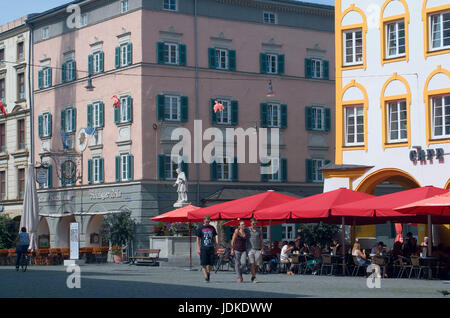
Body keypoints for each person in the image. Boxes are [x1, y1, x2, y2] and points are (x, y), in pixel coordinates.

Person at [196, 215, 218, 283]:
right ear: (204, 220)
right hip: (203, 248)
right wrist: (198, 248)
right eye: (206, 220)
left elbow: (214, 238)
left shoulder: (212, 228)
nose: (207, 221)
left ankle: (208, 272)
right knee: (203, 264)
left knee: (211, 263)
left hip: (211, 247)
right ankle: (206, 277)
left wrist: (216, 247)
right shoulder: (200, 228)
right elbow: (198, 240)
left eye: (208, 220)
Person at [246, 218, 264, 283]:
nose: (254, 224)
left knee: (257, 264)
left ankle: (253, 275)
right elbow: (241, 232)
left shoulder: (259, 230)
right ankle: (254, 278)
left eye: (255, 223)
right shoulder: (247, 229)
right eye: (253, 223)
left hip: (258, 249)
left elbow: (261, 240)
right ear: (250, 223)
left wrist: (262, 248)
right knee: (252, 263)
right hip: (250, 249)